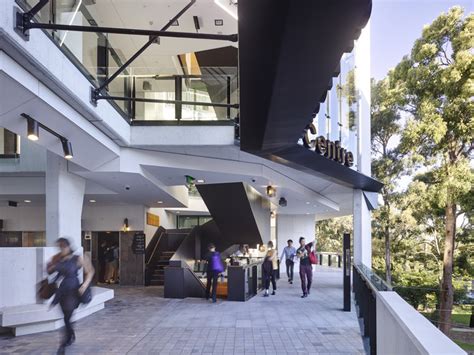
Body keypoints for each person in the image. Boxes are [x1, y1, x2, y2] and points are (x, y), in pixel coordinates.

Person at [47, 237, 94, 352]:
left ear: (68, 246)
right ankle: (70, 334)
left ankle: (64, 342)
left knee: (67, 315)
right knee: (66, 316)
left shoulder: (77, 258)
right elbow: (51, 271)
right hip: (62, 290)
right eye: (59, 247)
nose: (61, 249)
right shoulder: (58, 259)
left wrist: (84, 285)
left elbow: (90, 271)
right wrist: (52, 266)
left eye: (63, 246)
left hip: (73, 290)